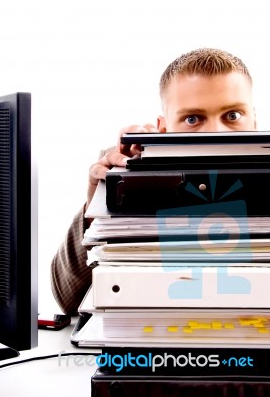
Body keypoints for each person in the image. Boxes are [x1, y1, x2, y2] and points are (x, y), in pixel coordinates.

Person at [51, 47, 257, 314]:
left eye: (232, 115)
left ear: (254, 121)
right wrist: (98, 204)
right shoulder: (138, 183)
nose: (215, 133)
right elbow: (68, 302)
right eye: (192, 119)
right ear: (163, 128)